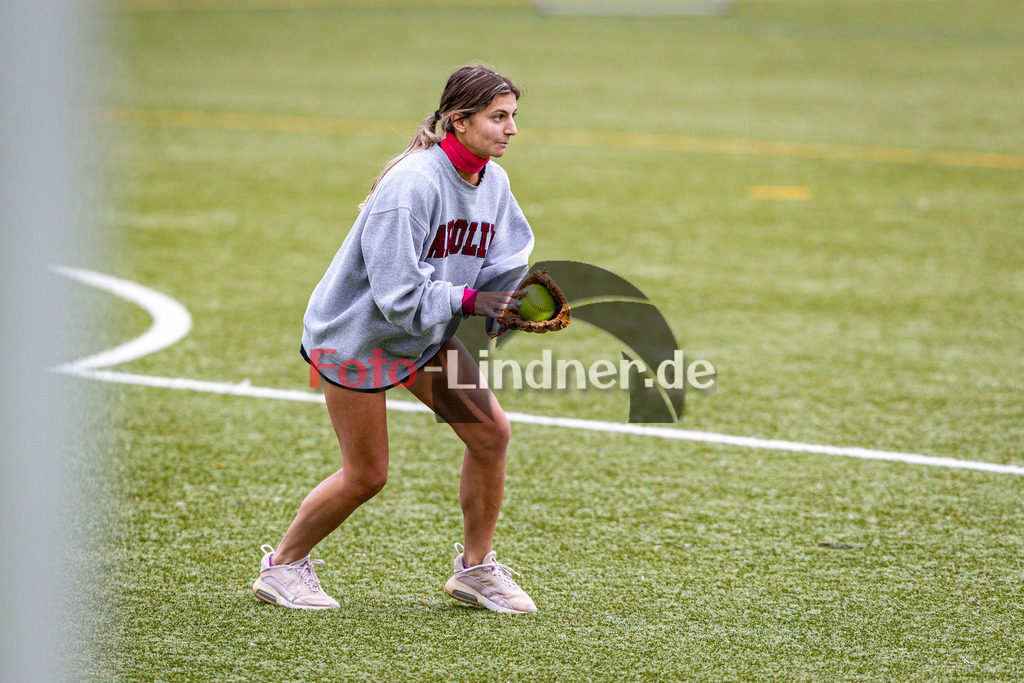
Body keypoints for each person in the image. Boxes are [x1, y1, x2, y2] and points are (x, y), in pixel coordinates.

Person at [252, 64, 538, 614]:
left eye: (513, 117)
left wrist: (514, 300)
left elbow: (503, 260)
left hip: (419, 338)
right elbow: (397, 296)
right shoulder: (412, 185)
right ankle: (282, 567)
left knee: (490, 434)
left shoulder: (492, 181)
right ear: (459, 120)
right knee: (367, 474)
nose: (511, 129)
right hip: (355, 339)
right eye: (498, 117)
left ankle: (476, 570)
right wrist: (473, 302)